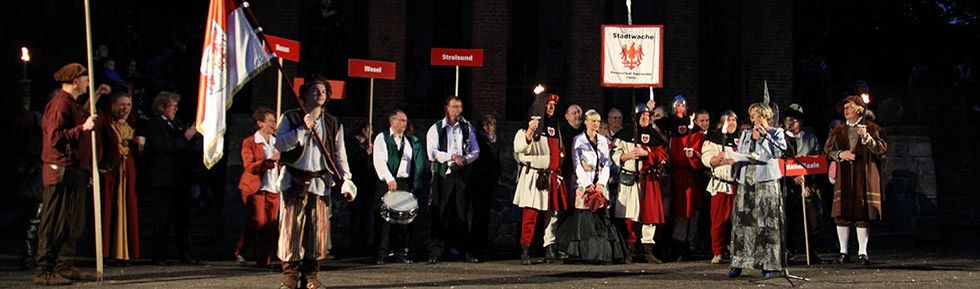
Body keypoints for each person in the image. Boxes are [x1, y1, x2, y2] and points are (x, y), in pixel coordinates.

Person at [275, 78, 356, 289]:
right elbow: (280, 143)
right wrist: (302, 128)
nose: (319, 93)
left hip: (320, 182)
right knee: (291, 230)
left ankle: (311, 276)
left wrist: (345, 180)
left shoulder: (333, 123)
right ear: (305, 94)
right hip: (294, 180)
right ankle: (290, 276)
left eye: (323, 91)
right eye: (315, 90)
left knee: (317, 231)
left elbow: (340, 155)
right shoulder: (291, 117)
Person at [35, 63, 106, 285]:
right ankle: (45, 271)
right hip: (60, 171)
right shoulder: (59, 103)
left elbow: (81, 120)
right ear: (75, 81)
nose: (87, 82)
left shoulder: (72, 103)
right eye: (85, 79)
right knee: (54, 221)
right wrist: (82, 128)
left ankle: (64, 266)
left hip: (74, 170)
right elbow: (55, 139)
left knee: (72, 222)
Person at [557, 109, 627, 264]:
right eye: (593, 121)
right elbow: (577, 163)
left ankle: (600, 253)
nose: (596, 124)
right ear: (586, 122)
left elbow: (606, 163)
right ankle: (583, 252)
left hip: (600, 184)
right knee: (584, 218)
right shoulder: (578, 140)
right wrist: (587, 184)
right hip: (584, 184)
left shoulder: (603, 140)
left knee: (601, 217)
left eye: (597, 121)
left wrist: (601, 184)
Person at [727, 103, 787, 279]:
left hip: (766, 182)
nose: (753, 119)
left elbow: (777, 153)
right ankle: (739, 262)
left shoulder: (776, 133)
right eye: (751, 115)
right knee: (743, 223)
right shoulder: (746, 133)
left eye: (756, 115)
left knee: (766, 223)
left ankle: (768, 264)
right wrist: (733, 159)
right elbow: (742, 153)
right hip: (747, 181)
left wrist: (762, 138)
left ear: (765, 116)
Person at [825, 95, 886, 266]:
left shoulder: (872, 128)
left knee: (862, 214)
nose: (845, 111)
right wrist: (840, 154)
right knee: (841, 214)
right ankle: (843, 252)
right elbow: (827, 150)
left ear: (859, 110)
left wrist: (867, 138)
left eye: (849, 107)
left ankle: (862, 252)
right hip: (844, 175)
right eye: (844, 108)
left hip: (863, 174)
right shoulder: (838, 130)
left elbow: (881, 151)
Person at [143, 91, 199, 266]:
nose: (176, 109)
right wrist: (185, 138)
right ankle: (159, 255)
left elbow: (185, 146)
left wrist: (193, 138)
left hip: (180, 179)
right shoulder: (154, 125)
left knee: (183, 219)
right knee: (162, 220)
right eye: (172, 106)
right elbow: (163, 146)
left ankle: (186, 254)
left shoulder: (177, 124)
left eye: (176, 106)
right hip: (164, 180)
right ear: (162, 106)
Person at [425, 95, 481, 264]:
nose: (458, 110)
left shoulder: (466, 127)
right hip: (443, 174)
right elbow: (432, 153)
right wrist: (452, 156)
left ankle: (462, 249)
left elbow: (475, 150)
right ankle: (436, 250)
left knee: (461, 212)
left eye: (460, 107)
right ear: (447, 108)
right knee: (440, 211)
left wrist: (466, 159)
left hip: (461, 174)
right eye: (455, 107)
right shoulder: (436, 128)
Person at [513, 94, 567, 265]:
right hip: (534, 176)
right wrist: (530, 131)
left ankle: (550, 248)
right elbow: (519, 147)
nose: (551, 108)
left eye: (553, 105)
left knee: (552, 214)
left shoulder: (555, 127)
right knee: (531, 214)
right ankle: (525, 250)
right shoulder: (528, 127)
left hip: (551, 176)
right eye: (548, 105)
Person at [612, 103, 668, 264]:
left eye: (647, 116)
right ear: (636, 117)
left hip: (649, 179)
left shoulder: (655, 136)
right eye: (642, 115)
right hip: (630, 178)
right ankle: (631, 248)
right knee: (630, 214)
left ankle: (647, 250)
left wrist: (647, 153)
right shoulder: (624, 134)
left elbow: (662, 155)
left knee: (650, 214)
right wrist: (627, 156)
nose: (645, 118)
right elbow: (614, 154)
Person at [371, 109, 425, 264]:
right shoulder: (383, 138)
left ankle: (400, 251)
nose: (404, 123)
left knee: (403, 220)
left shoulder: (409, 141)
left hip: (404, 182)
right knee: (384, 219)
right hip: (387, 181)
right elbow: (379, 160)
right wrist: (389, 178)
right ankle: (380, 253)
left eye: (406, 121)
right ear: (392, 121)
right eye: (401, 120)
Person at [97, 92, 143, 266]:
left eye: (128, 105)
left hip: (127, 174)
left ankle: (124, 254)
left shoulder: (132, 126)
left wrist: (138, 146)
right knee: (111, 209)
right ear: (113, 106)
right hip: (111, 173)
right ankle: (108, 253)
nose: (125, 108)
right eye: (122, 104)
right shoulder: (106, 124)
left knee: (127, 209)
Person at [235, 107, 282, 268]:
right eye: (270, 121)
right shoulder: (250, 142)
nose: (274, 124)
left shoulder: (278, 142)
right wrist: (269, 161)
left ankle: (264, 260)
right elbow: (249, 166)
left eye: (275, 121)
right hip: (256, 188)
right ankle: (241, 250)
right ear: (260, 123)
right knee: (258, 221)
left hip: (274, 187)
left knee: (271, 224)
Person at [660, 95, 706, 260]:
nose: (680, 108)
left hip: (690, 175)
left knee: (690, 211)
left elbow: (700, 148)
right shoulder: (668, 124)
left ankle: (688, 246)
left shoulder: (692, 128)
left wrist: (693, 155)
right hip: (674, 174)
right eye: (678, 105)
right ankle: (676, 246)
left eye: (683, 105)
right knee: (677, 212)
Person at [781, 104, 823, 264]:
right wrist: (793, 177)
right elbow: (781, 161)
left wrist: (809, 183)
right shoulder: (782, 139)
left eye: (794, 120)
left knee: (812, 222)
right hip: (789, 188)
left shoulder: (810, 139)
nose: (790, 123)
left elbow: (817, 160)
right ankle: (789, 252)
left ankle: (812, 252)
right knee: (789, 222)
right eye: (788, 120)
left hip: (807, 186)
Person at [700, 110, 739, 264]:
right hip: (721, 184)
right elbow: (706, 159)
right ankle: (717, 251)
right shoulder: (713, 139)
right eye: (729, 120)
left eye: (734, 120)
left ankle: (736, 250)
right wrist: (716, 159)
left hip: (737, 184)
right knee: (718, 220)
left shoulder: (740, 140)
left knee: (738, 220)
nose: (732, 123)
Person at [470, 114, 501, 261]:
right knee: (477, 216)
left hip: (490, 183)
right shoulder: (478, 142)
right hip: (477, 183)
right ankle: (475, 247)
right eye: (485, 125)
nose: (489, 128)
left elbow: (498, 162)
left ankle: (482, 246)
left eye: (491, 125)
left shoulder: (496, 142)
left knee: (485, 216)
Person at [345, 119, 377, 257]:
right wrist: (366, 154)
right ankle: (355, 246)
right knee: (357, 216)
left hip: (367, 184)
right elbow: (352, 161)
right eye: (370, 129)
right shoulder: (352, 144)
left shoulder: (366, 145)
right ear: (364, 130)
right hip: (357, 183)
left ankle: (364, 244)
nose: (372, 132)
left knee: (365, 215)